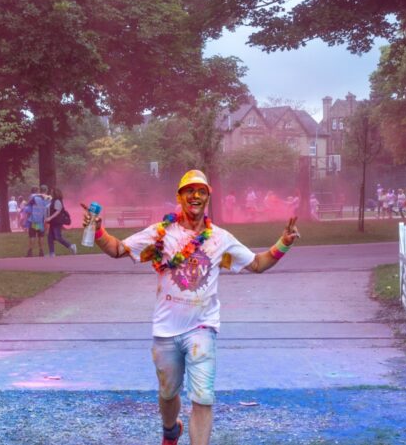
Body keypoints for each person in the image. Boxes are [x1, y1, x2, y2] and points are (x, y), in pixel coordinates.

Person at [85, 169, 300, 445]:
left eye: (201, 191)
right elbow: (118, 249)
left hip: (203, 327)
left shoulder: (220, 238)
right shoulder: (160, 234)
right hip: (166, 329)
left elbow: (257, 264)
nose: (195, 195)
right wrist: (98, 229)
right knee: (167, 394)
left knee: (203, 398)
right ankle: (171, 430)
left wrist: (284, 243)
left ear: (208, 197)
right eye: (189, 190)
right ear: (180, 197)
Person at [44, 188, 77, 257]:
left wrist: (50, 217)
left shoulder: (57, 201)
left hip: (57, 222)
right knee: (50, 237)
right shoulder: (53, 201)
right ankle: (52, 253)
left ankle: (71, 246)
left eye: (52, 192)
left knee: (58, 237)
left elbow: (58, 211)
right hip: (53, 222)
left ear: (55, 193)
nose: (51, 193)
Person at [25, 186, 48, 257]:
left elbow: (28, 208)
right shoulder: (45, 199)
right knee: (41, 236)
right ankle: (41, 251)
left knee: (32, 236)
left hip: (34, 220)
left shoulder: (33, 198)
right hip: (41, 220)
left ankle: (30, 252)